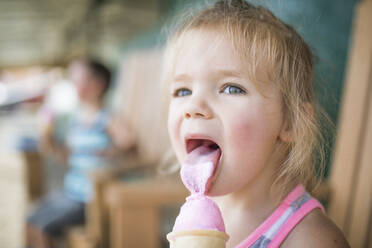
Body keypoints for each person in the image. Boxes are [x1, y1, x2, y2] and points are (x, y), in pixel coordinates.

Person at [163, 0, 350, 247]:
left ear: (292, 122)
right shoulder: (199, 215)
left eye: (231, 88)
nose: (194, 107)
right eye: (183, 91)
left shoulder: (309, 239)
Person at [26, 59, 134, 248]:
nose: (72, 82)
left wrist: (110, 153)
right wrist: (49, 142)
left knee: (41, 227)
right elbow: (68, 157)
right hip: (71, 191)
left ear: (97, 84)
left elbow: (129, 146)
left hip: (89, 198)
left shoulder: (107, 118)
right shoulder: (76, 119)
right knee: (30, 219)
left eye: (78, 78)